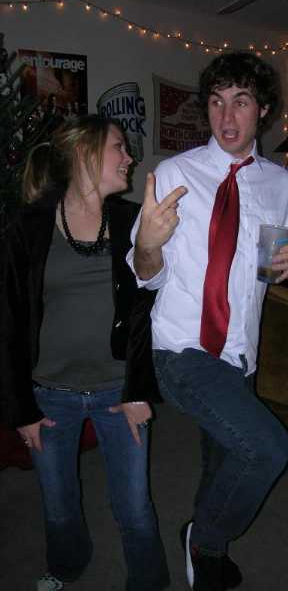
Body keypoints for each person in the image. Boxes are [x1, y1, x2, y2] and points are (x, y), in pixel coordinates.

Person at [127, 51, 288, 591]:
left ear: (263, 110)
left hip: (238, 351)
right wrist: (147, 245)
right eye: (216, 102)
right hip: (180, 346)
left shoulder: (281, 186)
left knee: (225, 455)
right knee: (267, 448)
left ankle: (203, 536)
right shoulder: (175, 174)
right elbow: (143, 274)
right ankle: (205, 540)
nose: (226, 116)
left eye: (240, 102)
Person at [0, 115, 170, 591]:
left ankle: (148, 582)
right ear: (84, 152)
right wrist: (21, 409)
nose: (129, 157)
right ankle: (67, 564)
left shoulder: (133, 220)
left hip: (119, 391)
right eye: (119, 146)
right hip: (49, 395)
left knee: (134, 507)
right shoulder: (30, 224)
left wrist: (139, 390)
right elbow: (9, 319)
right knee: (58, 505)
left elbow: (145, 312)